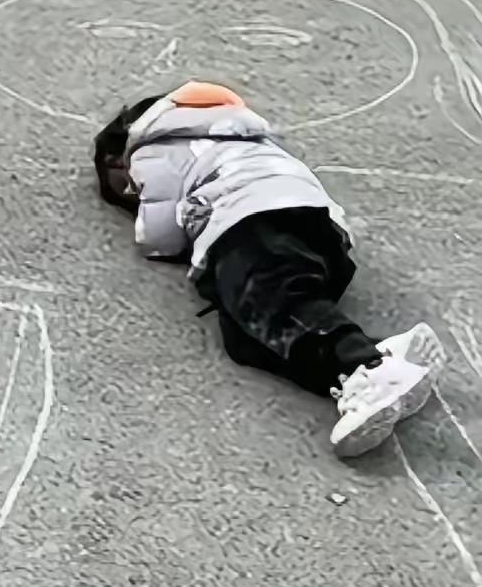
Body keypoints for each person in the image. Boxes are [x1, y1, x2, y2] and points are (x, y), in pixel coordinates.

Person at [93, 80, 445, 457]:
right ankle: (375, 363)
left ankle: (369, 366)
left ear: (118, 157)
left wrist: (158, 226)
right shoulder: (245, 135)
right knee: (247, 338)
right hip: (320, 229)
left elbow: (159, 234)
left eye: (127, 187)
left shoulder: (151, 149)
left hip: (250, 219)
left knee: (277, 302)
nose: (132, 193)